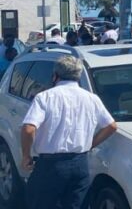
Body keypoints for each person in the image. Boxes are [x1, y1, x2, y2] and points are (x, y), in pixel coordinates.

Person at [21, 56, 117, 209]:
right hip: (80, 165)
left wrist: (26, 155)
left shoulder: (45, 97)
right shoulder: (92, 99)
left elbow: (28, 128)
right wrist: (91, 144)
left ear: (55, 76)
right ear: (78, 76)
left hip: (50, 166)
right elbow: (111, 126)